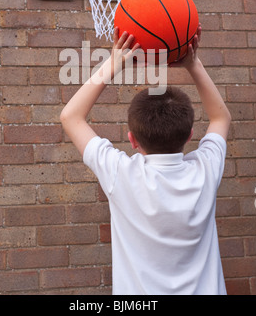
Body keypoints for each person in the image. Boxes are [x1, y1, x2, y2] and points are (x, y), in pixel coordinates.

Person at [60, 25, 231, 295]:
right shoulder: (205, 170)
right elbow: (221, 117)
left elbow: (70, 116)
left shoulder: (120, 174)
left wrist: (113, 63)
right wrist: (192, 63)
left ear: (132, 140)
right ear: (190, 135)